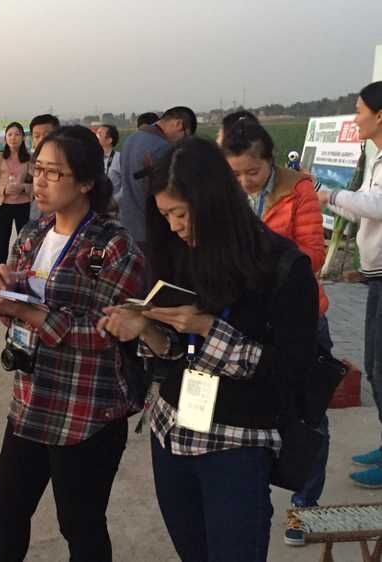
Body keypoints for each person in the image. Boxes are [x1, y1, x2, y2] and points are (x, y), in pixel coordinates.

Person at [99, 137, 318, 561]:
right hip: (172, 433)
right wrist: (145, 328)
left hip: (236, 441)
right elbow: (173, 353)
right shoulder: (173, 252)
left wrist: (207, 328)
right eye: (164, 216)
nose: (174, 227)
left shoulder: (281, 266)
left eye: (179, 214)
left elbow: (291, 371)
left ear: (213, 203)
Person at [0, 125, 144, 561]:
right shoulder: (33, 235)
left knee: (81, 523)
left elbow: (108, 332)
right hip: (31, 401)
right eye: (39, 170)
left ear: (87, 181)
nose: (40, 182)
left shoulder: (114, 246)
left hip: (87, 408)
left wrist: (31, 313)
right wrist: (2, 292)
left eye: (55, 173)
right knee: (7, 510)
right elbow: (15, 311)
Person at [222, 119, 331, 544]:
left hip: (299, 318)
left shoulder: (299, 191)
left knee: (307, 414)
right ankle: (254, 496)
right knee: (252, 411)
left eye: (254, 172)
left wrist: (256, 268)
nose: (246, 182)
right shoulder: (226, 195)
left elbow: (311, 257)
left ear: (270, 161)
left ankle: (304, 505)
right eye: (236, 174)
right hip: (246, 322)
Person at [318, 80, 382, 489]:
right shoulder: (376, 158)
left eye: (359, 110)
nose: (355, 118)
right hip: (375, 275)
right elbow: (366, 212)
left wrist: (328, 194)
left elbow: (376, 205)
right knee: (375, 365)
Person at [118, 106, 197, 256]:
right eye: (185, 137)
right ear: (179, 124)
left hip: (129, 226)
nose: (182, 144)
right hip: (153, 231)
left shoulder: (130, 140)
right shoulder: (162, 148)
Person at [0, 122, 33, 266]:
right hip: (2, 205)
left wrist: (24, 187)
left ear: (23, 138)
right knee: (0, 242)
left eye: (17, 134)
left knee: (24, 243)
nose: (13, 138)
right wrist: (3, 190)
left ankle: (22, 271)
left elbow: (37, 183)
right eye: (10, 134)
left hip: (23, 205)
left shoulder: (29, 158)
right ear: (5, 138)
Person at [28, 114, 60, 220]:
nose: (42, 139)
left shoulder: (67, 162)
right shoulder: (31, 161)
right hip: (36, 213)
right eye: (37, 136)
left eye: (47, 135)